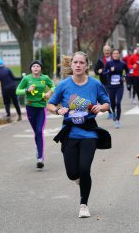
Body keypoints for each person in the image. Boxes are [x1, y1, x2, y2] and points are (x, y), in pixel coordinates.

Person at [47, 51, 111, 218]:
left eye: (81, 63)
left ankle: (83, 204)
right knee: (72, 173)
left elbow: (106, 103)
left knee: (84, 168)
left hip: (89, 131)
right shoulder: (64, 85)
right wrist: (58, 110)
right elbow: (50, 104)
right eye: (75, 62)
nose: (78, 65)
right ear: (71, 65)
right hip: (70, 132)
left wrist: (101, 107)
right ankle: (79, 180)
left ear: (86, 65)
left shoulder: (95, 84)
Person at [16, 60, 55, 169]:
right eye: (34, 66)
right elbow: (17, 91)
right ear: (31, 69)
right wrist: (27, 90)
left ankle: (40, 157)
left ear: (41, 69)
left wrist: (49, 92)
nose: (36, 68)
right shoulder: (26, 79)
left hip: (41, 108)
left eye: (38, 66)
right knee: (36, 132)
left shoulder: (45, 78)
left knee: (39, 131)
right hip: (30, 107)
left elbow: (54, 87)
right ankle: (38, 148)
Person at [0, 56, 22, 121]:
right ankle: (19, 115)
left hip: (5, 89)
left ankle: (8, 116)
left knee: (7, 103)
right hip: (12, 87)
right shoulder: (7, 69)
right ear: (2, 63)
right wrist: (21, 77)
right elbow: (14, 78)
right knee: (15, 101)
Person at [103, 49, 129, 128]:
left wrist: (124, 77)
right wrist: (110, 71)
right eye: (114, 53)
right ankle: (113, 112)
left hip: (119, 86)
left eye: (117, 53)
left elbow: (128, 72)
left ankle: (117, 120)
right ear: (112, 54)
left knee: (118, 102)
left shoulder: (123, 64)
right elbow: (104, 73)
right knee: (112, 102)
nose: (115, 54)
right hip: (111, 86)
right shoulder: (109, 63)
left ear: (119, 55)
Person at [94, 45, 113, 118]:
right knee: (105, 98)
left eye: (108, 50)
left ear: (110, 51)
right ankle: (110, 112)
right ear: (103, 51)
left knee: (112, 97)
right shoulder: (100, 60)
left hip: (113, 82)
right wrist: (98, 71)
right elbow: (95, 70)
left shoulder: (113, 59)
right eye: (105, 50)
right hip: (104, 82)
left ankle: (113, 109)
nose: (107, 52)